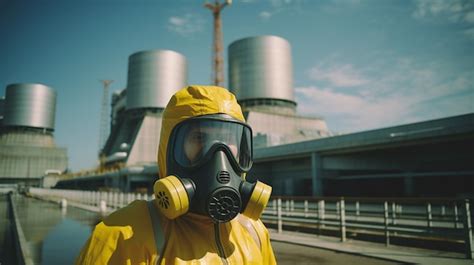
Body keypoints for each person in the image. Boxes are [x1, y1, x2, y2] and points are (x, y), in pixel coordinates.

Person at [75, 85, 276, 264]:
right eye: (199, 138)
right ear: (170, 151)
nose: (219, 156)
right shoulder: (120, 236)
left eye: (227, 140)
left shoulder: (255, 232)